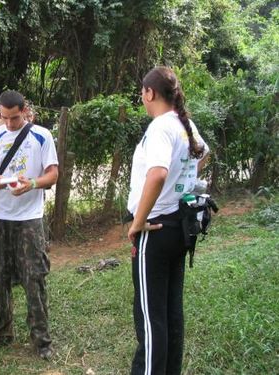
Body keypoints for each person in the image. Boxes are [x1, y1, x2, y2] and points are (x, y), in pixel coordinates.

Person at [127, 67, 209, 375]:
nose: (142, 98)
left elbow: (158, 173)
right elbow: (202, 155)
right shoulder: (183, 124)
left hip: (156, 229)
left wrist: (138, 220)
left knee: (150, 319)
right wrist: (183, 183)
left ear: (149, 93)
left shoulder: (161, 126)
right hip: (180, 226)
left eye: (142, 93)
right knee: (171, 312)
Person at [0, 90, 59, 360]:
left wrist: (32, 184)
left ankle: (41, 340)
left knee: (34, 277)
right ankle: (2, 331)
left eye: (14, 118)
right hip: (0, 216)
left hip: (30, 218)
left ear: (24, 111)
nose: (10, 124)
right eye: (4, 118)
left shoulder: (41, 135)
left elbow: (53, 174)